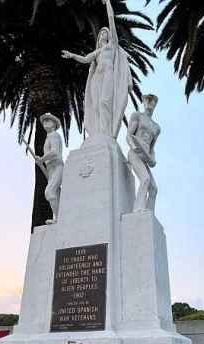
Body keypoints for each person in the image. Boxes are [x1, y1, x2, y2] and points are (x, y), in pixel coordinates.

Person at [61, 0, 132, 139]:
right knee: (96, 105)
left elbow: (111, 21)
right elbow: (85, 59)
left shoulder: (112, 45)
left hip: (108, 74)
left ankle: (106, 133)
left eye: (105, 33)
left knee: (105, 102)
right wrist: (72, 55)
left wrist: (108, 4)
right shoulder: (97, 52)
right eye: (100, 33)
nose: (102, 34)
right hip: (97, 78)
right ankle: (98, 133)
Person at [127, 94, 161, 212]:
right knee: (145, 179)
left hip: (145, 158)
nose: (150, 102)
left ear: (155, 104)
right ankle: (138, 209)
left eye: (152, 101)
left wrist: (153, 159)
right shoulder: (137, 116)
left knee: (153, 189)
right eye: (147, 99)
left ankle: (149, 214)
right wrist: (134, 147)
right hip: (134, 153)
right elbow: (129, 136)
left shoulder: (156, 128)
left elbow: (152, 148)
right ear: (143, 101)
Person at [34, 113, 65, 224]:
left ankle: (58, 219)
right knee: (56, 194)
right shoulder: (49, 137)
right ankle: (59, 217)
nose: (45, 123)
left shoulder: (54, 135)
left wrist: (41, 159)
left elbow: (55, 152)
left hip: (57, 167)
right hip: (51, 169)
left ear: (54, 124)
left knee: (49, 192)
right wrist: (41, 160)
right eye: (44, 121)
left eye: (48, 121)